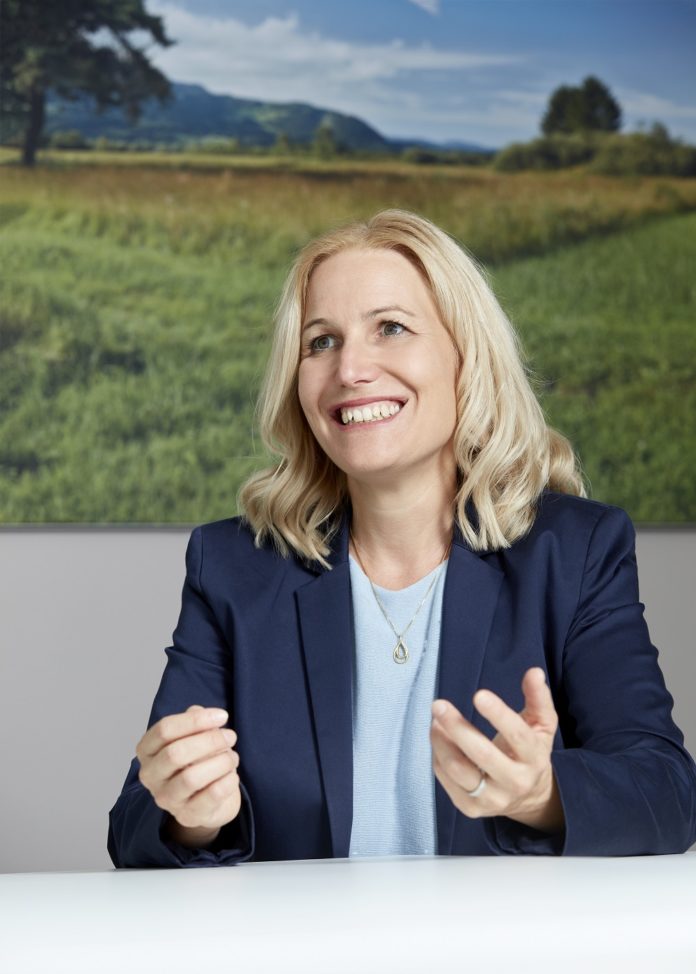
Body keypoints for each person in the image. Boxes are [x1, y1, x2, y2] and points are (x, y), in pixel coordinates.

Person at [108, 209, 696, 867]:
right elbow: (134, 827)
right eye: (321, 342)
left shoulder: (575, 553)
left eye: (390, 328)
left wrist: (543, 794)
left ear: (466, 358)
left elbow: (667, 792)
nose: (350, 369)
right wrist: (189, 816)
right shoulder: (232, 567)